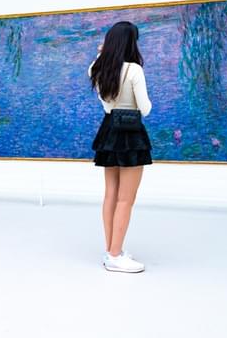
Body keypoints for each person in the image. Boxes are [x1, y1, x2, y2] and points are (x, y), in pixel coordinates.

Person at [87, 21, 153, 273]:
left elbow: (106, 106)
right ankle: (115, 255)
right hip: (131, 133)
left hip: (108, 130)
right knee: (126, 198)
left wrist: (101, 54)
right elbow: (145, 109)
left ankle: (111, 250)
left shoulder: (96, 67)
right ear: (130, 43)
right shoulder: (135, 70)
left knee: (110, 195)